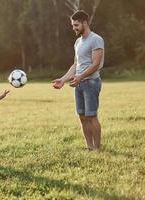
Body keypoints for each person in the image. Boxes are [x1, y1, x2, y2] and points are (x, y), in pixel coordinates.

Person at [52, 10, 104, 151]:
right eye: (73, 25)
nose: (73, 28)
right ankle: (89, 147)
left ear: (85, 23)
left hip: (91, 83)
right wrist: (63, 80)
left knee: (91, 116)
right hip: (79, 84)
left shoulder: (96, 39)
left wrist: (80, 77)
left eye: (76, 25)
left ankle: (98, 148)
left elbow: (96, 64)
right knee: (82, 117)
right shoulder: (77, 42)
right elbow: (76, 65)